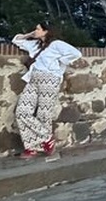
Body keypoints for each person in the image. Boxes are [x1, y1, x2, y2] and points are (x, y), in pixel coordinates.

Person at [12, 21, 82, 159]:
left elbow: (76, 53)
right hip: (33, 79)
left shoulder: (56, 44)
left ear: (46, 31)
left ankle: (34, 148)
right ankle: (46, 138)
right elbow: (16, 40)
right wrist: (30, 34)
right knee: (22, 112)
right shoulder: (35, 45)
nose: (35, 31)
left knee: (44, 113)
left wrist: (58, 61)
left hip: (50, 79)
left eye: (38, 29)